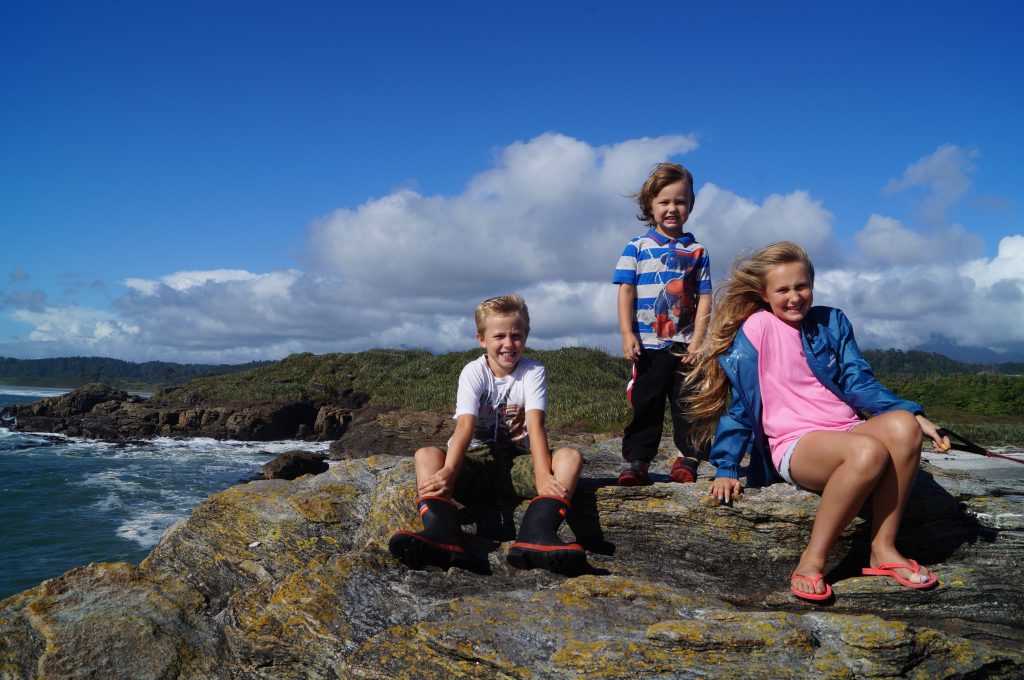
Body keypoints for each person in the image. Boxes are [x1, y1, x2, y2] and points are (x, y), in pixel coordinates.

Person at [687, 241, 950, 602]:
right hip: (796, 443)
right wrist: (726, 465)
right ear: (764, 294)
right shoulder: (757, 329)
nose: (794, 297)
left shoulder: (832, 322)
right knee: (867, 452)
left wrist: (914, 412)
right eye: (783, 290)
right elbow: (744, 403)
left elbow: (859, 382)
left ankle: (883, 549)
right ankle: (812, 561)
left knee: (903, 425)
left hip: (846, 429)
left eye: (802, 286)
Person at [388, 294, 586, 574]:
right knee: (427, 455)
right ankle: (442, 535)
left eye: (516, 335)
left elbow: (535, 424)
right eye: (499, 336)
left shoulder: (533, 371)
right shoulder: (473, 372)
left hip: (519, 461)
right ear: (481, 339)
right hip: (477, 462)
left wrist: (543, 474)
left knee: (570, 457)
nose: (508, 344)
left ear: (526, 335)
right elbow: (465, 427)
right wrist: (449, 471)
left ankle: (535, 535)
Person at [612, 162, 712, 486]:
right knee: (647, 403)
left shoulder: (698, 251)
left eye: (680, 201)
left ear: (690, 205)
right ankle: (638, 461)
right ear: (650, 206)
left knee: (689, 405)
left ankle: (690, 459)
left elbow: (706, 299)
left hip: (685, 345)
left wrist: (698, 342)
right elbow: (626, 290)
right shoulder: (636, 247)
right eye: (664, 202)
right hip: (648, 344)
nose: (672, 209)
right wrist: (627, 333)